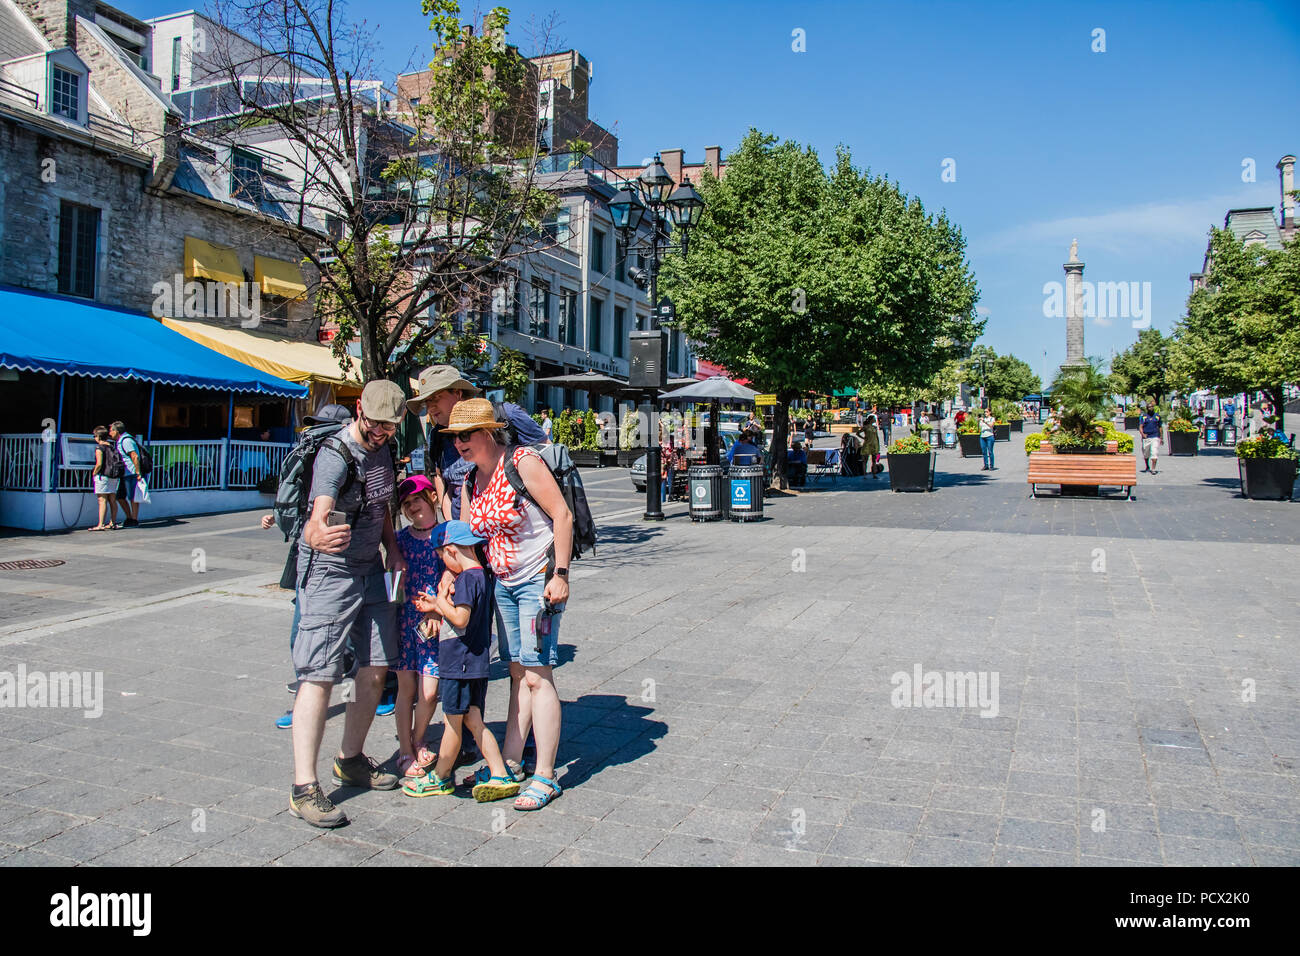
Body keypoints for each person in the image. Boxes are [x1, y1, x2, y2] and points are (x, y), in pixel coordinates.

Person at [288, 380, 408, 829]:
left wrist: (392, 548)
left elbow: (381, 507)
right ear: (358, 409)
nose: (381, 433)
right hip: (330, 573)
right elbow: (320, 509)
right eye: (375, 424)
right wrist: (314, 530)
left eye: (390, 427)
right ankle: (304, 787)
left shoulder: (383, 451)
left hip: (371, 568)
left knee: (377, 666)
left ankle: (350, 758)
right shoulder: (334, 455)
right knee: (319, 675)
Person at [453, 398, 573, 811]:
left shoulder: (521, 462)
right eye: (455, 437)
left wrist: (560, 575)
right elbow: (469, 540)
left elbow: (562, 515)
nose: (460, 444)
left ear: (489, 432)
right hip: (503, 586)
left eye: (466, 435)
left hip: (537, 584)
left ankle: (546, 775)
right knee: (518, 674)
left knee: (538, 675)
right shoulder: (471, 481)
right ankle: (509, 761)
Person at [401, 520, 520, 801]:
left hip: (460, 663)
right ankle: (499, 773)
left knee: (454, 721)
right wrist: (436, 605)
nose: (443, 562)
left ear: (452, 551)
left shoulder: (467, 579)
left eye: (442, 555)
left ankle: (440, 777)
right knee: (472, 720)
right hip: (473, 663)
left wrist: (438, 602)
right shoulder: (480, 577)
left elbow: (460, 619)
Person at [407, 365, 546, 521]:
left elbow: (547, 453)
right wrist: (451, 523)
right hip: (466, 535)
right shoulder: (437, 435)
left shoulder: (506, 416)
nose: (430, 408)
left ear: (458, 393)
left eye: (436, 398)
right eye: (426, 402)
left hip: (514, 533)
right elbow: (441, 479)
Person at [393, 474, 445, 778]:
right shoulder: (400, 539)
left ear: (433, 498)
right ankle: (404, 748)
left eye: (417, 499)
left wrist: (439, 609)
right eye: (407, 503)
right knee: (406, 689)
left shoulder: (446, 535)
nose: (413, 506)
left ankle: (418, 736)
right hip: (404, 623)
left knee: (429, 692)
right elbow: (391, 583)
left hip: (433, 624)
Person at [109, 421, 144, 526]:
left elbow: (134, 456)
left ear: (117, 431)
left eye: (111, 430)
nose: (110, 433)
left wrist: (137, 472)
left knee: (132, 496)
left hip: (131, 472)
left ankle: (134, 519)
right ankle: (129, 518)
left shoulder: (126, 441)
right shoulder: (121, 441)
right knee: (120, 496)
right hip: (125, 473)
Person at [88, 425, 122, 531]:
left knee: (102, 500)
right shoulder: (112, 447)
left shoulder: (99, 448)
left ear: (98, 436)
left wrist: (94, 473)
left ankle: (100, 524)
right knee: (112, 500)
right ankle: (112, 522)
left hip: (103, 476)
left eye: (94, 436)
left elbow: (99, 463)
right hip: (113, 476)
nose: (94, 438)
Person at [1139, 404, 1162, 474]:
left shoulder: (1157, 416)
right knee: (1146, 453)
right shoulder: (1143, 417)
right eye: (1149, 407)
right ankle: (1147, 466)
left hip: (1155, 436)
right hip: (1146, 437)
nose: (1150, 408)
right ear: (1147, 408)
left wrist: (1161, 437)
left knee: (1154, 452)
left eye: (1152, 407)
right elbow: (1140, 427)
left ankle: (1153, 469)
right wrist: (1143, 434)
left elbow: (1160, 427)